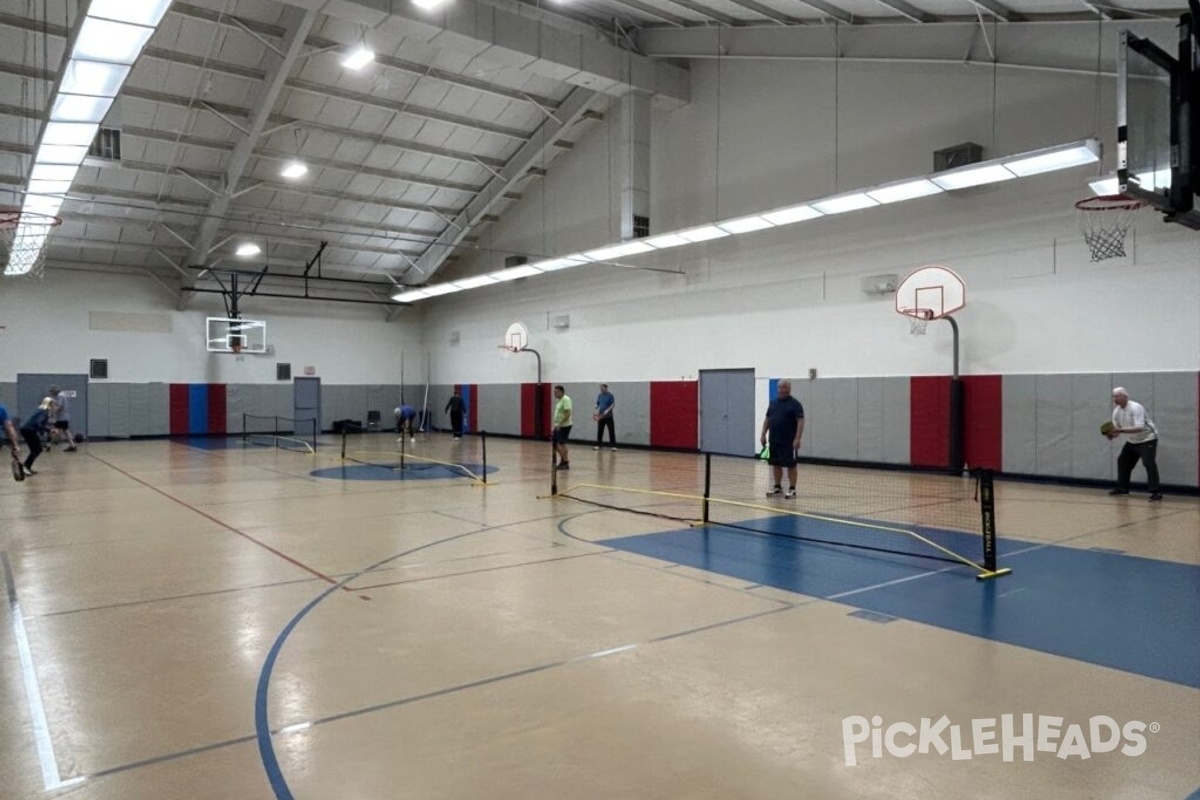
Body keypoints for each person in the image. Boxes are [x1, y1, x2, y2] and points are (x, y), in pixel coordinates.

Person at [1107, 387, 1162, 501]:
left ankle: (1155, 492)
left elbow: (1139, 427)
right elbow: (1118, 430)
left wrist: (1120, 431)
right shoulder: (1116, 412)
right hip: (1132, 440)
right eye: (1113, 396)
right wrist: (1112, 435)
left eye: (1117, 396)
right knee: (1122, 461)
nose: (1114, 399)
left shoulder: (1136, 407)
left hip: (1148, 438)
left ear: (1125, 396)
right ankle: (1123, 488)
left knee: (1148, 463)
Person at [759, 379, 805, 499]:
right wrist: (763, 434)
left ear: (789, 389)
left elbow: (800, 422)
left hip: (789, 442)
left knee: (791, 465)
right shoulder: (773, 403)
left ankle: (792, 489)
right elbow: (768, 419)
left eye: (784, 387)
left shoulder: (795, 404)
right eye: (780, 387)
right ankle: (777, 487)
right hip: (774, 440)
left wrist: (797, 438)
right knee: (776, 464)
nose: (782, 390)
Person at [19, 397, 56, 475]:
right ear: (49, 405)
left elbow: (41, 423)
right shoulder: (44, 412)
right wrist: (46, 431)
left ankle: (27, 466)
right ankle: (25, 466)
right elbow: (38, 423)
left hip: (27, 430)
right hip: (29, 430)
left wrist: (48, 430)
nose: (54, 406)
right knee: (37, 449)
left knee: (35, 449)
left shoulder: (41, 411)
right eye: (53, 405)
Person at [48, 386, 77, 452]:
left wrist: (52, 413)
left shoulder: (60, 396)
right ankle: (72, 445)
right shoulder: (61, 395)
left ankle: (48, 444)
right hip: (63, 417)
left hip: (61, 417)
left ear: (55, 391)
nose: (52, 394)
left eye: (52, 392)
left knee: (53, 429)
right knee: (66, 431)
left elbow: (59, 406)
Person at [552, 385, 573, 470]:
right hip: (558, 425)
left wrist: (560, 424)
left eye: (556, 392)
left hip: (564, 425)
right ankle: (564, 460)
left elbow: (567, 413)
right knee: (555, 444)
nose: (554, 393)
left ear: (561, 392)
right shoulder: (559, 400)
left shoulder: (566, 399)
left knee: (562, 443)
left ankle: (565, 462)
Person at [593, 383, 617, 451]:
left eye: (602, 387)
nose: (601, 389)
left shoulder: (610, 395)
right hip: (601, 416)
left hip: (609, 416)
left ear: (606, 388)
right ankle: (598, 444)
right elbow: (597, 403)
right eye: (600, 387)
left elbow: (613, 404)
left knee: (611, 430)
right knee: (600, 431)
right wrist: (596, 408)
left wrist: (607, 410)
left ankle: (613, 446)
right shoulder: (600, 395)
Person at [0, 403, 21, 470]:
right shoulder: (1, 409)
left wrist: (15, 445)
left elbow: (9, 428)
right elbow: (9, 428)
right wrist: (15, 446)